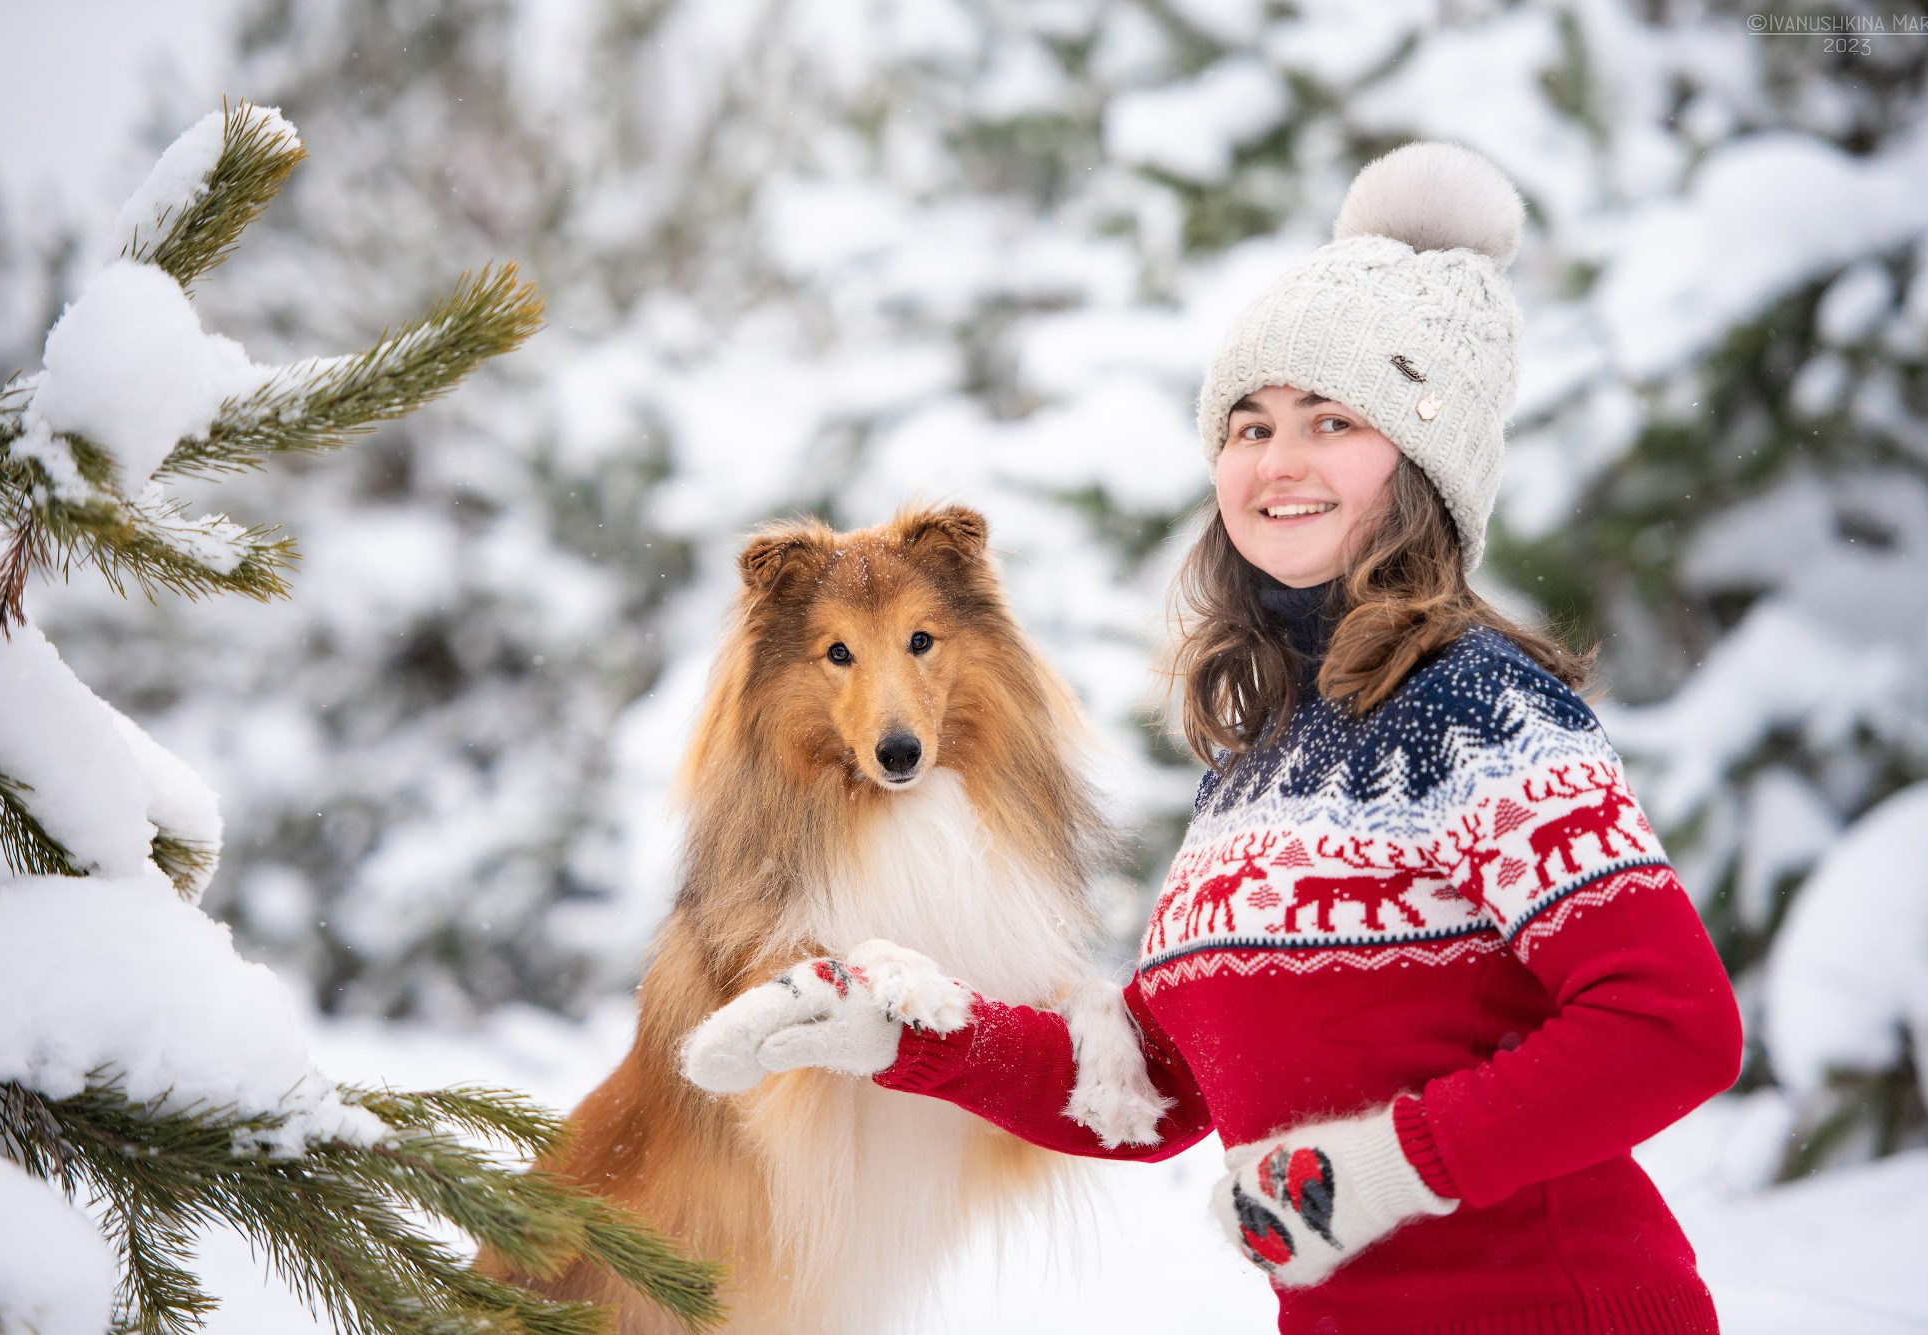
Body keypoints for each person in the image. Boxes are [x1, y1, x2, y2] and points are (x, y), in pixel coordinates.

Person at [684, 142, 1744, 1334]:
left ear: (1423, 468)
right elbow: (1153, 1087)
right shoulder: (1258, 766)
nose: (1275, 461)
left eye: (1331, 420)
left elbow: (1670, 1028)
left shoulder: (1480, 711)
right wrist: (910, 1033)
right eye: (1247, 426)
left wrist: (1394, 1166)